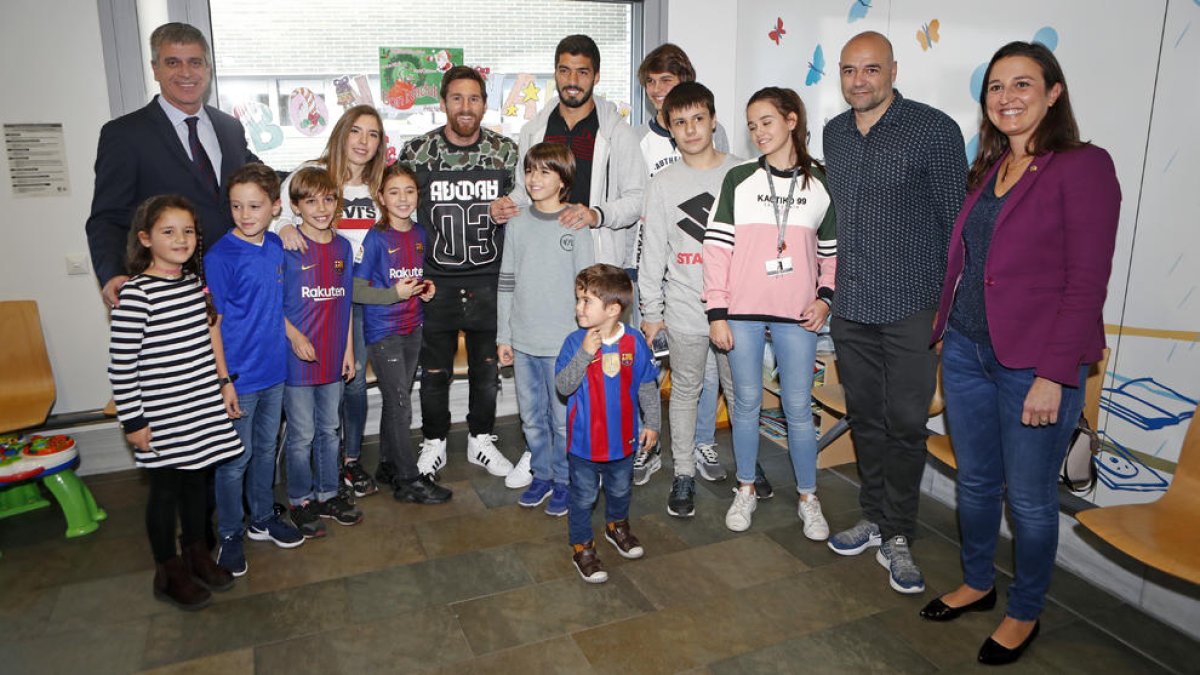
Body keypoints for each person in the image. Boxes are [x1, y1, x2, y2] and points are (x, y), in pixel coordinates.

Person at [924, 41, 1121, 666]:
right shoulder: (987, 168)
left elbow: (1086, 284)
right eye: (996, 87)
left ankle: (1024, 609)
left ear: (1053, 93)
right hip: (966, 350)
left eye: (1023, 85)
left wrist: (1055, 376)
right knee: (977, 482)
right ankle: (979, 582)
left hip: (1034, 366)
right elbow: (973, 265)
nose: (1007, 98)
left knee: (1031, 497)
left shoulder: (1082, 166)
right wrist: (944, 334)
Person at [822, 31, 966, 594]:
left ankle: (899, 533)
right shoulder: (835, 135)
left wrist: (949, 316)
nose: (860, 80)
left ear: (893, 70)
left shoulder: (933, 131)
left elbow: (957, 228)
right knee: (868, 420)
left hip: (912, 306)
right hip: (853, 308)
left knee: (906, 426)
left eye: (871, 69)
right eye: (850, 70)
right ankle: (874, 515)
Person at [704, 87, 836, 537]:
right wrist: (716, 312)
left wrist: (825, 298)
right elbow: (716, 249)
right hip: (741, 311)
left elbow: (833, 253)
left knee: (798, 409)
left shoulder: (821, 182)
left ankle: (808, 497)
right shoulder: (738, 179)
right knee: (746, 405)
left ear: (792, 121)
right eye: (752, 125)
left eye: (767, 122)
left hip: (798, 313)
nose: (758, 132)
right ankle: (745, 489)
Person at [108, 195, 242, 610]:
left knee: (197, 484)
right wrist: (134, 422)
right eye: (168, 231)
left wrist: (223, 384)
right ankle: (168, 570)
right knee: (165, 491)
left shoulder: (192, 284)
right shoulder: (137, 295)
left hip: (199, 406)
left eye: (188, 231)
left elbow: (208, 340)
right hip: (162, 415)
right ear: (145, 238)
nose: (181, 239)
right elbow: (121, 366)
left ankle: (197, 553)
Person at [399, 66, 519, 482]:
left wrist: (510, 210)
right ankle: (433, 440)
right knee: (435, 370)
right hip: (436, 279)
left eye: (473, 99)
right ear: (443, 102)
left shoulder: (506, 152)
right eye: (457, 98)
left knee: (487, 369)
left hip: (489, 277)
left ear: (485, 104)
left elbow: (524, 207)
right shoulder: (417, 153)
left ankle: (481, 439)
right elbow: (397, 209)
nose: (465, 107)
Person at [87, 22, 257, 310]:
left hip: (235, 285)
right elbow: (107, 217)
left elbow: (259, 178)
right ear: (155, 69)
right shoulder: (125, 134)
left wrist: (330, 171)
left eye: (195, 62)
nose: (186, 73)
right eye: (173, 63)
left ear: (208, 68)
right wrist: (113, 272)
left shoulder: (229, 128)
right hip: (165, 291)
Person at [632, 44, 732, 488]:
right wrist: (651, 311)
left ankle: (746, 469)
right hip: (682, 303)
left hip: (733, 309)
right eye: (679, 123)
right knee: (687, 388)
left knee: (739, 393)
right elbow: (652, 250)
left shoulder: (739, 172)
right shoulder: (660, 180)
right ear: (671, 130)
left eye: (698, 120)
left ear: (712, 121)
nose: (690, 130)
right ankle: (683, 471)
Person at [277, 105, 387, 499]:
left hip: (366, 295)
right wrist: (286, 226)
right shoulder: (313, 174)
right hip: (319, 297)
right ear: (341, 133)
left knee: (354, 383)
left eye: (372, 134)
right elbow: (277, 217)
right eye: (356, 131)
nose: (363, 141)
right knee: (326, 385)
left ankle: (349, 461)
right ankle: (319, 468)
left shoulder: (380, 186)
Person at [205, 164, 305, 577]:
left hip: (274, 371)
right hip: (240, 378)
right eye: (236, 206)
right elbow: (214, 324)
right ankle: (230, 533)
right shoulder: (219, 256)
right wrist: (224, 380)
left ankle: (262, 516)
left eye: (255, 206)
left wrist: (295, 336)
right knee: (234, 460)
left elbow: (274, 307)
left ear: (274, 207)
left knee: (266, 450)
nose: (245, 215)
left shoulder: (275, 249)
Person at [497, 143, 596, 517]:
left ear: (563, 180)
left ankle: (565, 480)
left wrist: (586, 339)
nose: (534, 179)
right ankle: (541, 474)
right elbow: (506, 282)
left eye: (544, 172)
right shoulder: (518, 223)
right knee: (531, 418)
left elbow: (588, 288)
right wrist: (503, 336)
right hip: (523, 341)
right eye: (530, 171)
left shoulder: (575, 223)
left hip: (563, 344)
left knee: (561, 420)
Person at [494, 35, 646, 271]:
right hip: (543, 256)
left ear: (596, 76)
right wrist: (504, 206)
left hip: (596, 261)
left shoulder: (618, 134)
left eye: (582, 72)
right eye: (564, 71)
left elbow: (636, 199)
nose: (572, 81)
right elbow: (525, 192)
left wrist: (596, 215)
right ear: (555, 73)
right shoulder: (533, 131)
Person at [354, 163, 452, 505]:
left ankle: (387, 464)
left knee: (398, 399)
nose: (402, 198)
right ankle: (409, 480)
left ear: (417, 195)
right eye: (394, 192)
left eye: (409, 191)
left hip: (413, 326)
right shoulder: (376, 237)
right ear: (381, 197)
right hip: (384, 331)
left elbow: (416, 276)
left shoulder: (420, 233)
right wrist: (393, 295)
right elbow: (356, 289)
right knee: (400, 404)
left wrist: (426, 288)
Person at [556, 264, 660, 583]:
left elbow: (646, 385)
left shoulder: (635, 342)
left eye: (586, 301)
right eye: (578, 299)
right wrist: (586, 354)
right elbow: (563, 386)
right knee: (583, 498)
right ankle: (582, 546)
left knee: (620, 491)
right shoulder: (575, 343)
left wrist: (652, 423)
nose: (578, 307)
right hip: (584, 445)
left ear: (613, 309)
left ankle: (616, 526)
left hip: (623, 442)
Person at [281, 167, 361, 538]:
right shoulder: (285, 245)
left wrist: (348, 351)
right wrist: (294, 335)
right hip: (297, 361)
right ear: (295, 206)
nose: (321, 207)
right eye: (310, 201)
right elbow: (272, 304)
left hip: (332, 357)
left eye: (328, 199)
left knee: (330, 429)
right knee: (302, 435)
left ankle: (328, 493)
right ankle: (300, 499)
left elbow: (344, 306)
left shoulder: (344, 247)